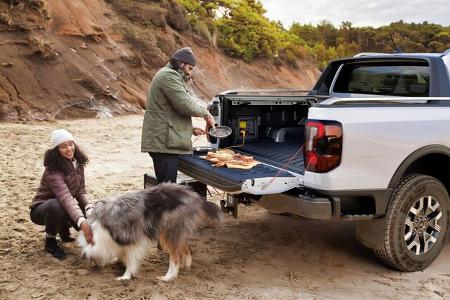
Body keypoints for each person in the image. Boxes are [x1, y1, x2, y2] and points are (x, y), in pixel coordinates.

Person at [141, 47, 215, 184]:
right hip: (163, 144)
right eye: (190, 68)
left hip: (166, 141)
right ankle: (163, 206)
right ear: (180, 63)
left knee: (167, 188)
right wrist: (206, 114)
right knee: (167, 190)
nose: (190, 72)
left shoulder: (171, 75)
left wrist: (190, 129)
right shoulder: (168, 75)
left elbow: (171, 111)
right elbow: (184, 103)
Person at [30, 129, 94, 260]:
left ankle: (64, 232)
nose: (69, 149)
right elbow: (65, 197)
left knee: (92, 215)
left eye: (71, 144)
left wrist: (88, 207)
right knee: (56, 205)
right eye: (63, 146)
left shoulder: (78, 163)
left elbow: (80, 191)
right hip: (42, 210)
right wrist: (82, 222)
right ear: (56, 150)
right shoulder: (52, 170)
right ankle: (50, 241)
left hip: (64, 204)